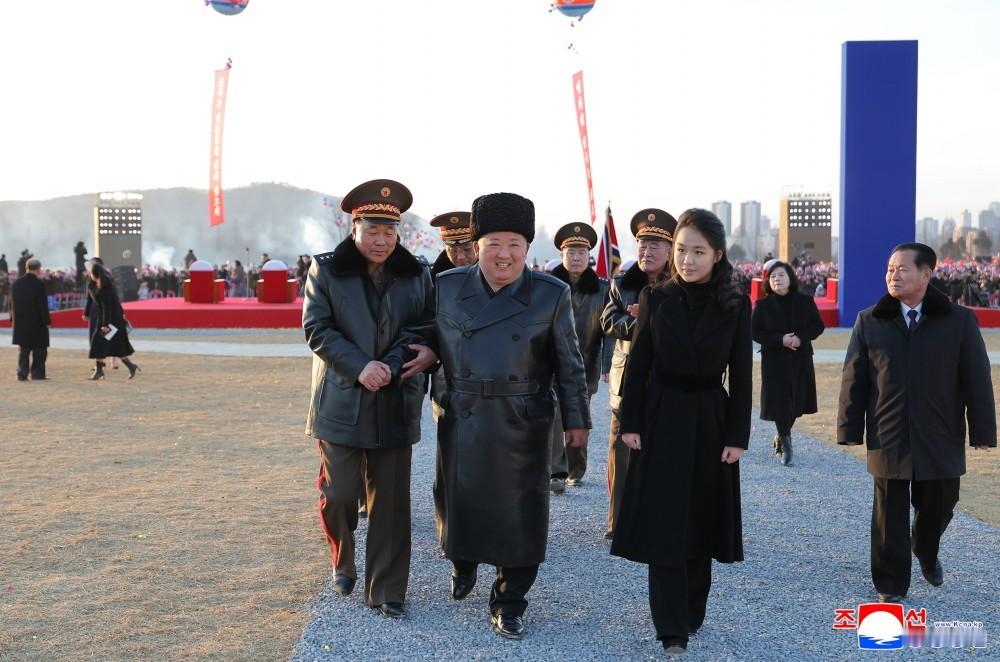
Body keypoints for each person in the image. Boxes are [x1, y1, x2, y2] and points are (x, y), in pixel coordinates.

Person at [431, 192, 590, 640]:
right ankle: (463, 562)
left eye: (515, 244)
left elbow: (569, 363)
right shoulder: (445, 287)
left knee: (522, 514)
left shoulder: (550, 294)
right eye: (494, 243)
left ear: (527, 247)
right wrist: (420, 354)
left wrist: (577, 420)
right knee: (460, 501)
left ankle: (510, 600)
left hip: (524, 417)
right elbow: (422, 337)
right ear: (476, 245)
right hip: (464, 412)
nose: (504, 254)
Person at [611, 209, 752, 655]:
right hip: (662, 416)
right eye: (681, 250)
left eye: (698, 252)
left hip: (711, 419)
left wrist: (737, 436)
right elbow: (639, 366)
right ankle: (670, 626)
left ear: (718, 255)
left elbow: (742, 374)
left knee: (701, 519)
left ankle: (692, 610)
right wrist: (631, 422)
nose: (687, 260)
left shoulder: (736, 302)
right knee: (665, 519)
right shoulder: (657, 297)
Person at [303, 178, 437, 620]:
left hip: (395, 399)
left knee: (391, 502)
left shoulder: (416, 273)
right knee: (340, 493)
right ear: (354, 228)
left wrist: (392, 365)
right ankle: (342, 557)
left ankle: (387, 590)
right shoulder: (326, 270)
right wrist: (360, 365)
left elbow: (425, 326)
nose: (382, 240)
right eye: (373, 230)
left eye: (389, 231)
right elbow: (317, 328)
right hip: (341, 398)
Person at [837, 242, 995, 604]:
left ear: (926, 274)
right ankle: (891, 583)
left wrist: (983, 431)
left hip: (940, 432)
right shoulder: (870, 320)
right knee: (888, 512)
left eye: (902, 269)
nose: (892, 275)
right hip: (888, 432)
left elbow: (977, 378)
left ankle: (924, 546)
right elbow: (853, 379)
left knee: (941, 502)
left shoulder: (959, 321)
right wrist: (849, 427)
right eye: (889, 269)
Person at [600, 208, 677, 540]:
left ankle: (656, 519)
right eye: (642, 245)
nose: (647, 252)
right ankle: (618, 523)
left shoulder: (681, 286)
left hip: (666, 381)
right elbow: (608, 321)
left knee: (662, 453)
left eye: (654, 246)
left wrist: (651, 318)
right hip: (627, 380)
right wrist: (639, 324)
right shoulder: (621, 284)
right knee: (621, 454)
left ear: (670, 251)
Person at [548, 222, 609, 492]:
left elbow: (609, 332)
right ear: (562, 255)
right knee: (553, 416)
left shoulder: (602, 289)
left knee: (578, 415)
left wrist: (608, 364)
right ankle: (556, 472)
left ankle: (576, 469)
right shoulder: (549, 286)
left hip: (586, 363)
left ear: (589, 257)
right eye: (571, 252)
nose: (576, 258)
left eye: (581, 253)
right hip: (551, 362)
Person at [751, 261, 825, 465]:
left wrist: (800, 338)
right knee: (780, 403)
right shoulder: (763, 305)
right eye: (773, 277)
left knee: (796, 403)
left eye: (781, 275)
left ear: (790, 278)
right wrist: (780, 340)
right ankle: (787, 444)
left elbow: (818, 326)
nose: (777, 279)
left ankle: (780, 435)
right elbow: (755, 331)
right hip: (774, 361)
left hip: (800, 359)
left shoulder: (805, 301)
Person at [84, 261, 140, 380]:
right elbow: (93, 299)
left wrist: (105, 325)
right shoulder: (93, 285)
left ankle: (99, 371)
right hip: (106, 318)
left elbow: (107, 307)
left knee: (98, 343)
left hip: (112, 319)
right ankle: (130, 366)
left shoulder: (106, 286)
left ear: (95, 274)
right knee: (115, 345)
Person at [11, 258, 51, 381]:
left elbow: (11, 304)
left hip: (20, 322)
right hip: (37, 322)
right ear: (38, 269)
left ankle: (22, 373)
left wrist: (13, 320)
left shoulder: (16, 284)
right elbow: (42, 305)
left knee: (24, 350)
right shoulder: (39, 284)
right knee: (39, 349)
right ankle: (37, 374)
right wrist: (47, 321)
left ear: (26, 267)